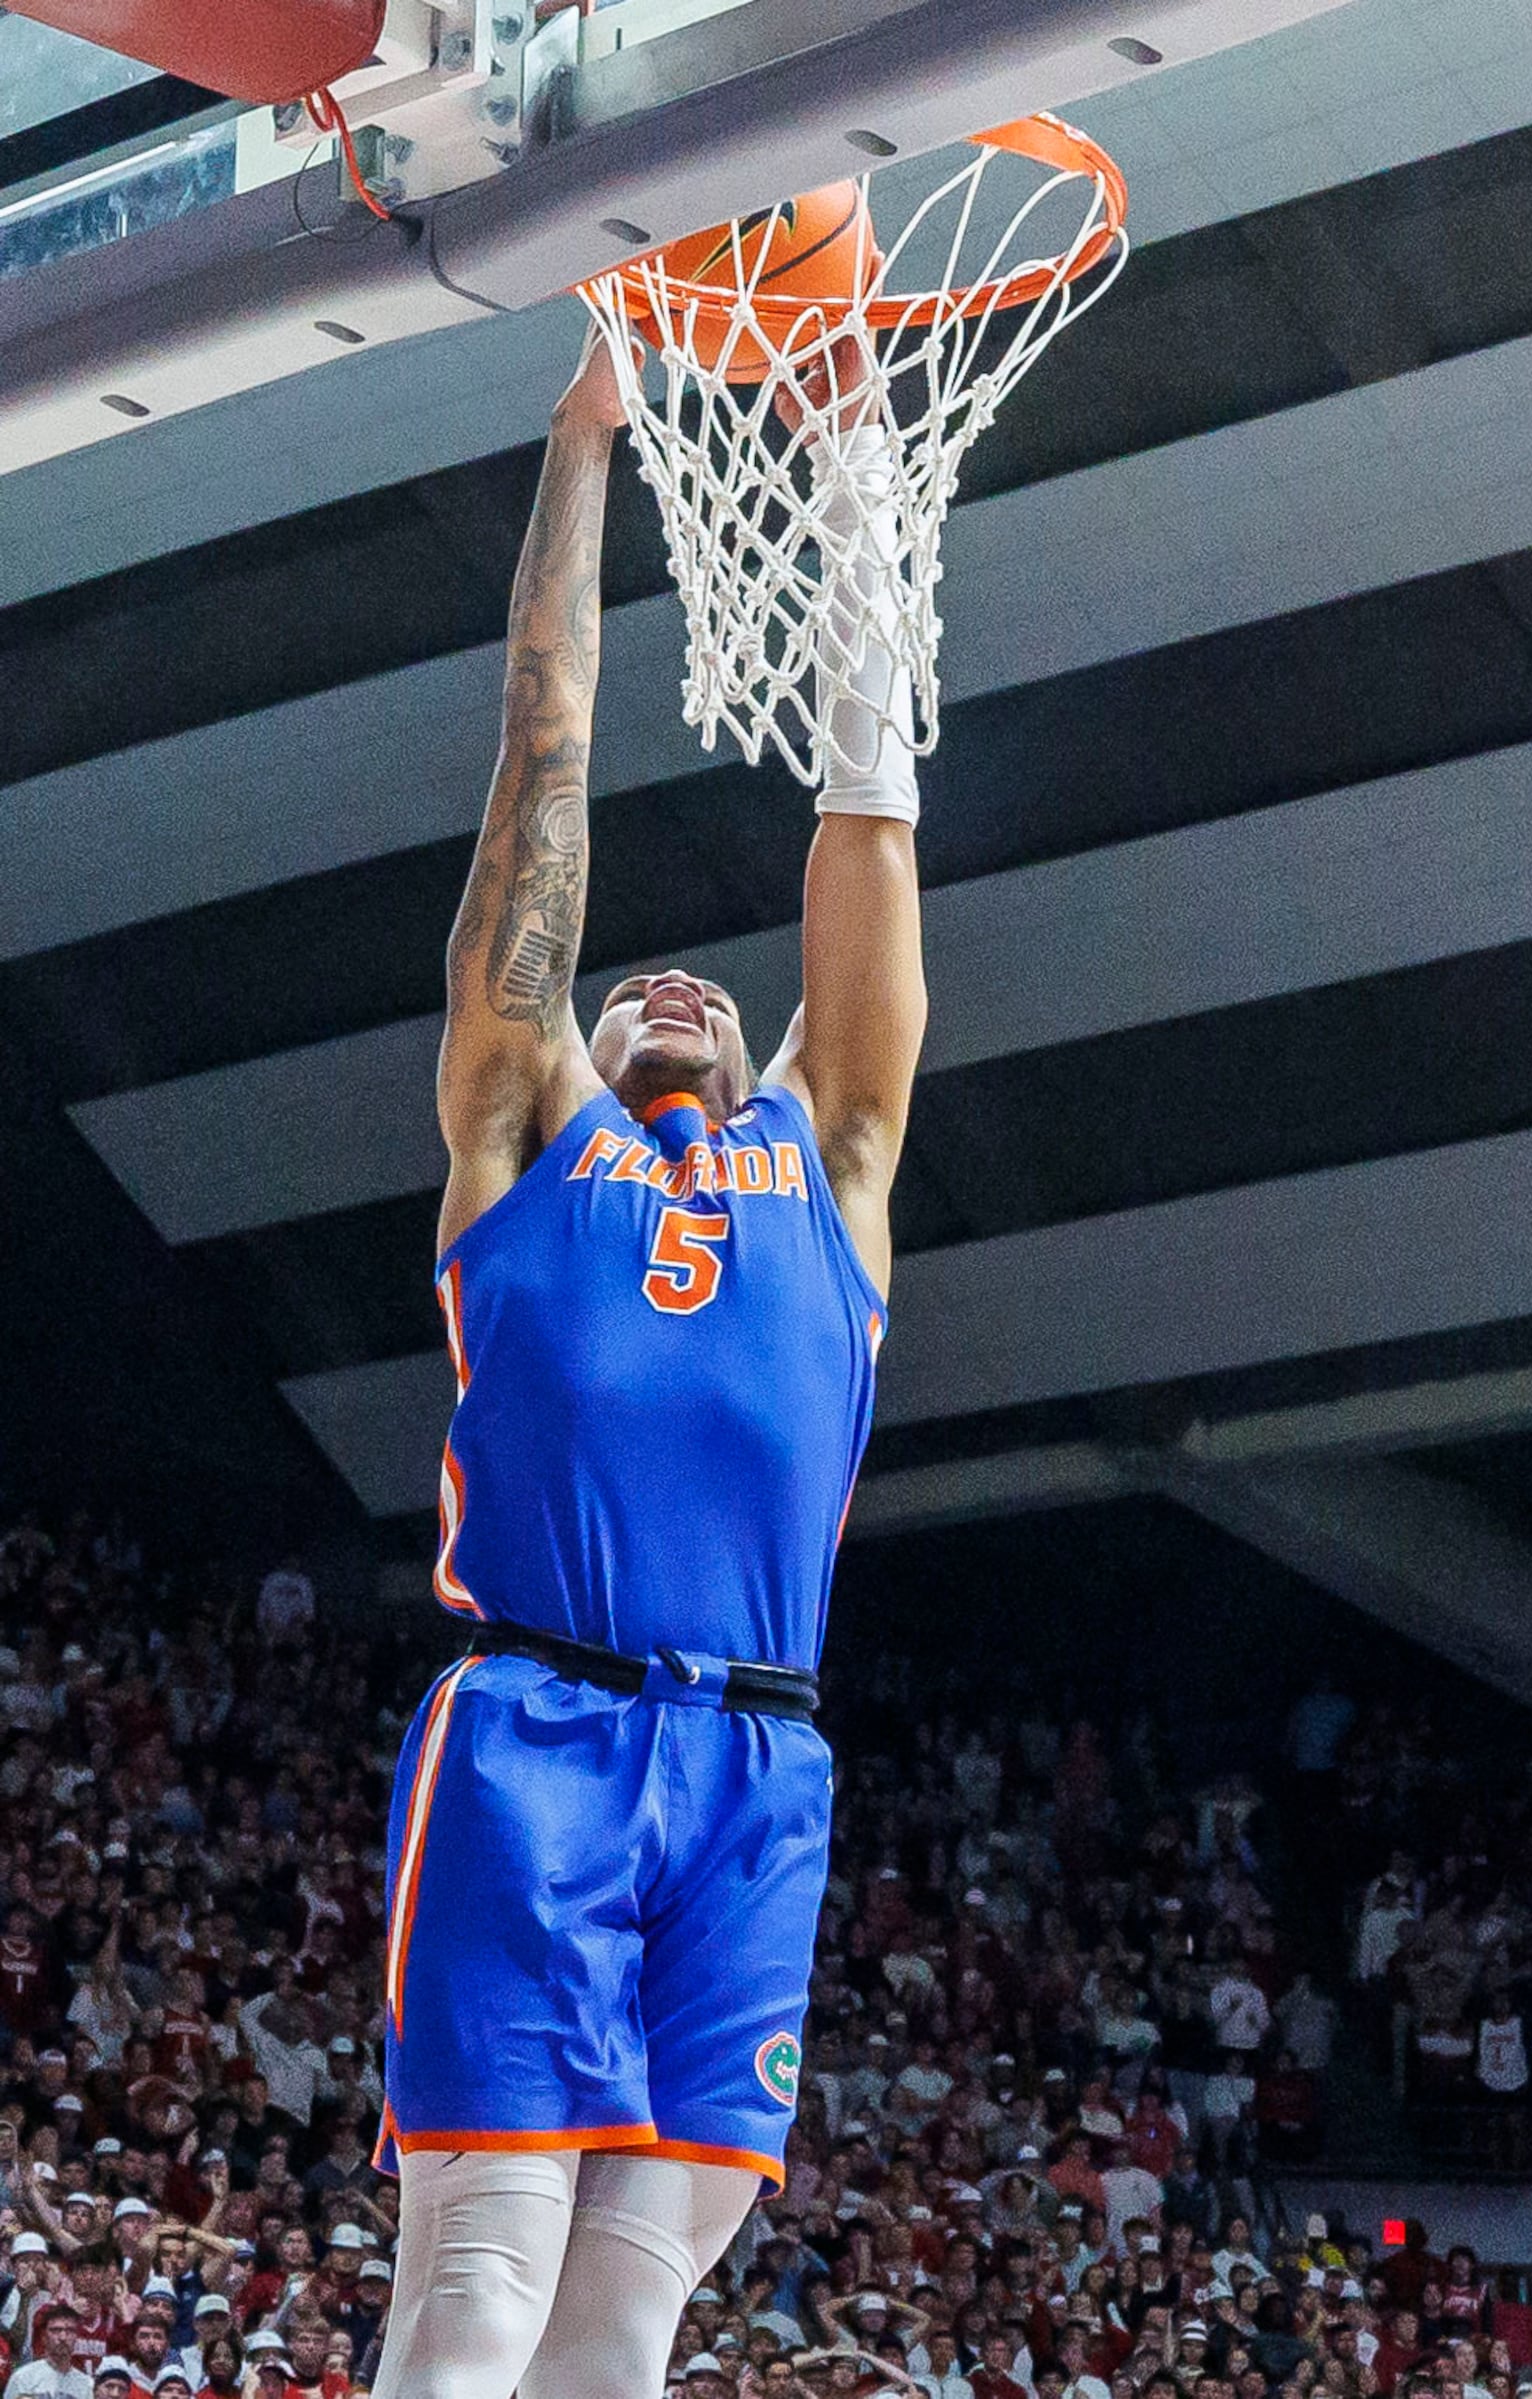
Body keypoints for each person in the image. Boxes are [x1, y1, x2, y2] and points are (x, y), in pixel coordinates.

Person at [371, 322, 926, 2399]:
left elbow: (866, 822)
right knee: (478, 2294)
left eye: (709, 987)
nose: (670, 982)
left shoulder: (831, 1155)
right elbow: (542, 762)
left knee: (627, 2318)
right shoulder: (529, 1129)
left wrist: (854, 461)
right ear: (583, 1039)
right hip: (539, 1730)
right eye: (632, 990)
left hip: (762, 1761)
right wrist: (585, 443)